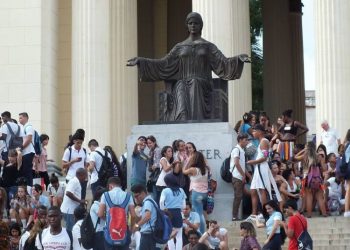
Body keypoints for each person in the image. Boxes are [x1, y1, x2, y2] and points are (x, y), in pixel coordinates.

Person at [127, 12, 249, 122]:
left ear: (201, 26)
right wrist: (141, 61)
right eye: (190, 23)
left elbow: (223, 62)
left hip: (203, 82)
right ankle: (182, 120)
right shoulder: (179, 47)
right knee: (180, 86)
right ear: (187, 26)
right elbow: (164, 63)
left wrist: (238, 59)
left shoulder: (208, 46)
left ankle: (196, 121)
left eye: (196, 23)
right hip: (183, 81)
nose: (193, 25)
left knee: (194, 83)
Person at [247, 124, 281, 216]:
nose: (253, 133)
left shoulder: (264, 141)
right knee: (253, 190)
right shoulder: (261, 141)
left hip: (262, 167)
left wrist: (253, 162)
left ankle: (265, 212)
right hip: (258, 168)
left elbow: (265, 157)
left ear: (260, 132)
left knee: (262, 190)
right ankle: (254, 213)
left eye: (254, 131)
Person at [98, 177, 136, 250]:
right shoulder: (128, 196)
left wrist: (109, 219)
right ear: (119, 185)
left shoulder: (105, 195)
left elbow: (100, 214)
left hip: (109, 231)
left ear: (110, 186)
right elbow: (133, 215)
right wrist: (131, 228)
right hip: (124, 230)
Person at [183, 151, 209, 234]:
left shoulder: (193, 169)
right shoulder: (205, 169)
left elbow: (183, 171)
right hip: (204, 194)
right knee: (201, 214)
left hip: (196, 193)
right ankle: (202, 231)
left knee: (198, 214)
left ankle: (201, 233)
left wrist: (188, 160)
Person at [160, 174, 187, 250]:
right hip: (178, 213)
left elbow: (161, 202)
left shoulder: (165, 190)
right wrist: (179, 208)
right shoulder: (181, 190)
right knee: (179, 236)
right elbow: (184, 205)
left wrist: (164, 209)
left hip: (168, 213)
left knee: (169, 235)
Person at [62, 130, 88, 198]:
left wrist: (86, 175)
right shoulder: (69, 150)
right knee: (71, 197)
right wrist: (73, 161)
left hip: (82, 179)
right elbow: (63, 165)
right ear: (74, 141)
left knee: (82, 197)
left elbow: (86, 164)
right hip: (71, 177)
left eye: (81, 143)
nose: (79, 145)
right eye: (78, 143)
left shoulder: (84, 151)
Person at [130, 184, 157, 250]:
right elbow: (143, 218)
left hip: (148, 234)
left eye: (136, 196)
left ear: (142, 193)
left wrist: (137, 225)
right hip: (150, 234)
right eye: (134, 197)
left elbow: (147, 216)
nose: (135, 198)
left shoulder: (147, 202)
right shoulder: (150, 201)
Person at [231, 133, 250, 221]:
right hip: (237, 177)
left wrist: (248, 176)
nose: (247, 141)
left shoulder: (242, 150)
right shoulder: (236, 150)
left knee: (242, 195)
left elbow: (242, 166)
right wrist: (243, 176)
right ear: (240, 140)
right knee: (238, 196)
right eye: (245, 140)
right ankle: (234, 216)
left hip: (240, 176)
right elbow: (237, 163)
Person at [18, 112, 36, 187]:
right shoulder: (24, 127)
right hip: (25, 153)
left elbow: (29, 139)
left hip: (28, 152)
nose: (19, 120)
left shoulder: (28, 127)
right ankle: (26, 188)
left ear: (26, 118)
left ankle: (29, 188)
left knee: (27, 172)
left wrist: (21, 147)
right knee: (24, 172)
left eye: (21, 118)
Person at [146, 135, 162, 201]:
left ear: (154, 142)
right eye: (148, 143)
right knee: (155, 195)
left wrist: (154, 166)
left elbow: (159, 163)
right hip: (154, 175)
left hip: (157, 175)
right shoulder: (151, 151)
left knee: (156, 196)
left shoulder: (157, 150)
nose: (149, 145)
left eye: (150, 143)